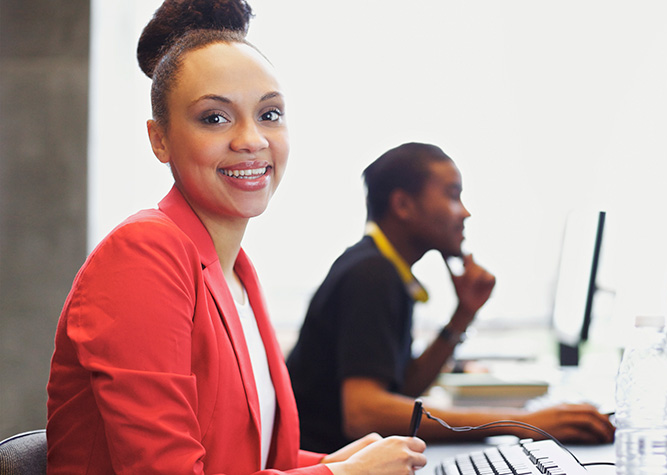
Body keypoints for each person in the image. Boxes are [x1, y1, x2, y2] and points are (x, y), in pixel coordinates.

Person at [45, 1, 426, 473]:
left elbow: (249, 460)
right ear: (159, 139)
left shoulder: (237, 273)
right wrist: (342, 473)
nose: (252, 140)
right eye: (215, 118)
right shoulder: (143, 256)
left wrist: (338, 460)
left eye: (269, 114)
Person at [286, 143, 615, 453]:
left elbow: (401, 391)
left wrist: (464, 314)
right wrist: (520, 423)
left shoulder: (382, 267)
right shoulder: (372, 274)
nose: (465, 212)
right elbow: (364, 414)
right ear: (403, 205)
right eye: (453, 195)